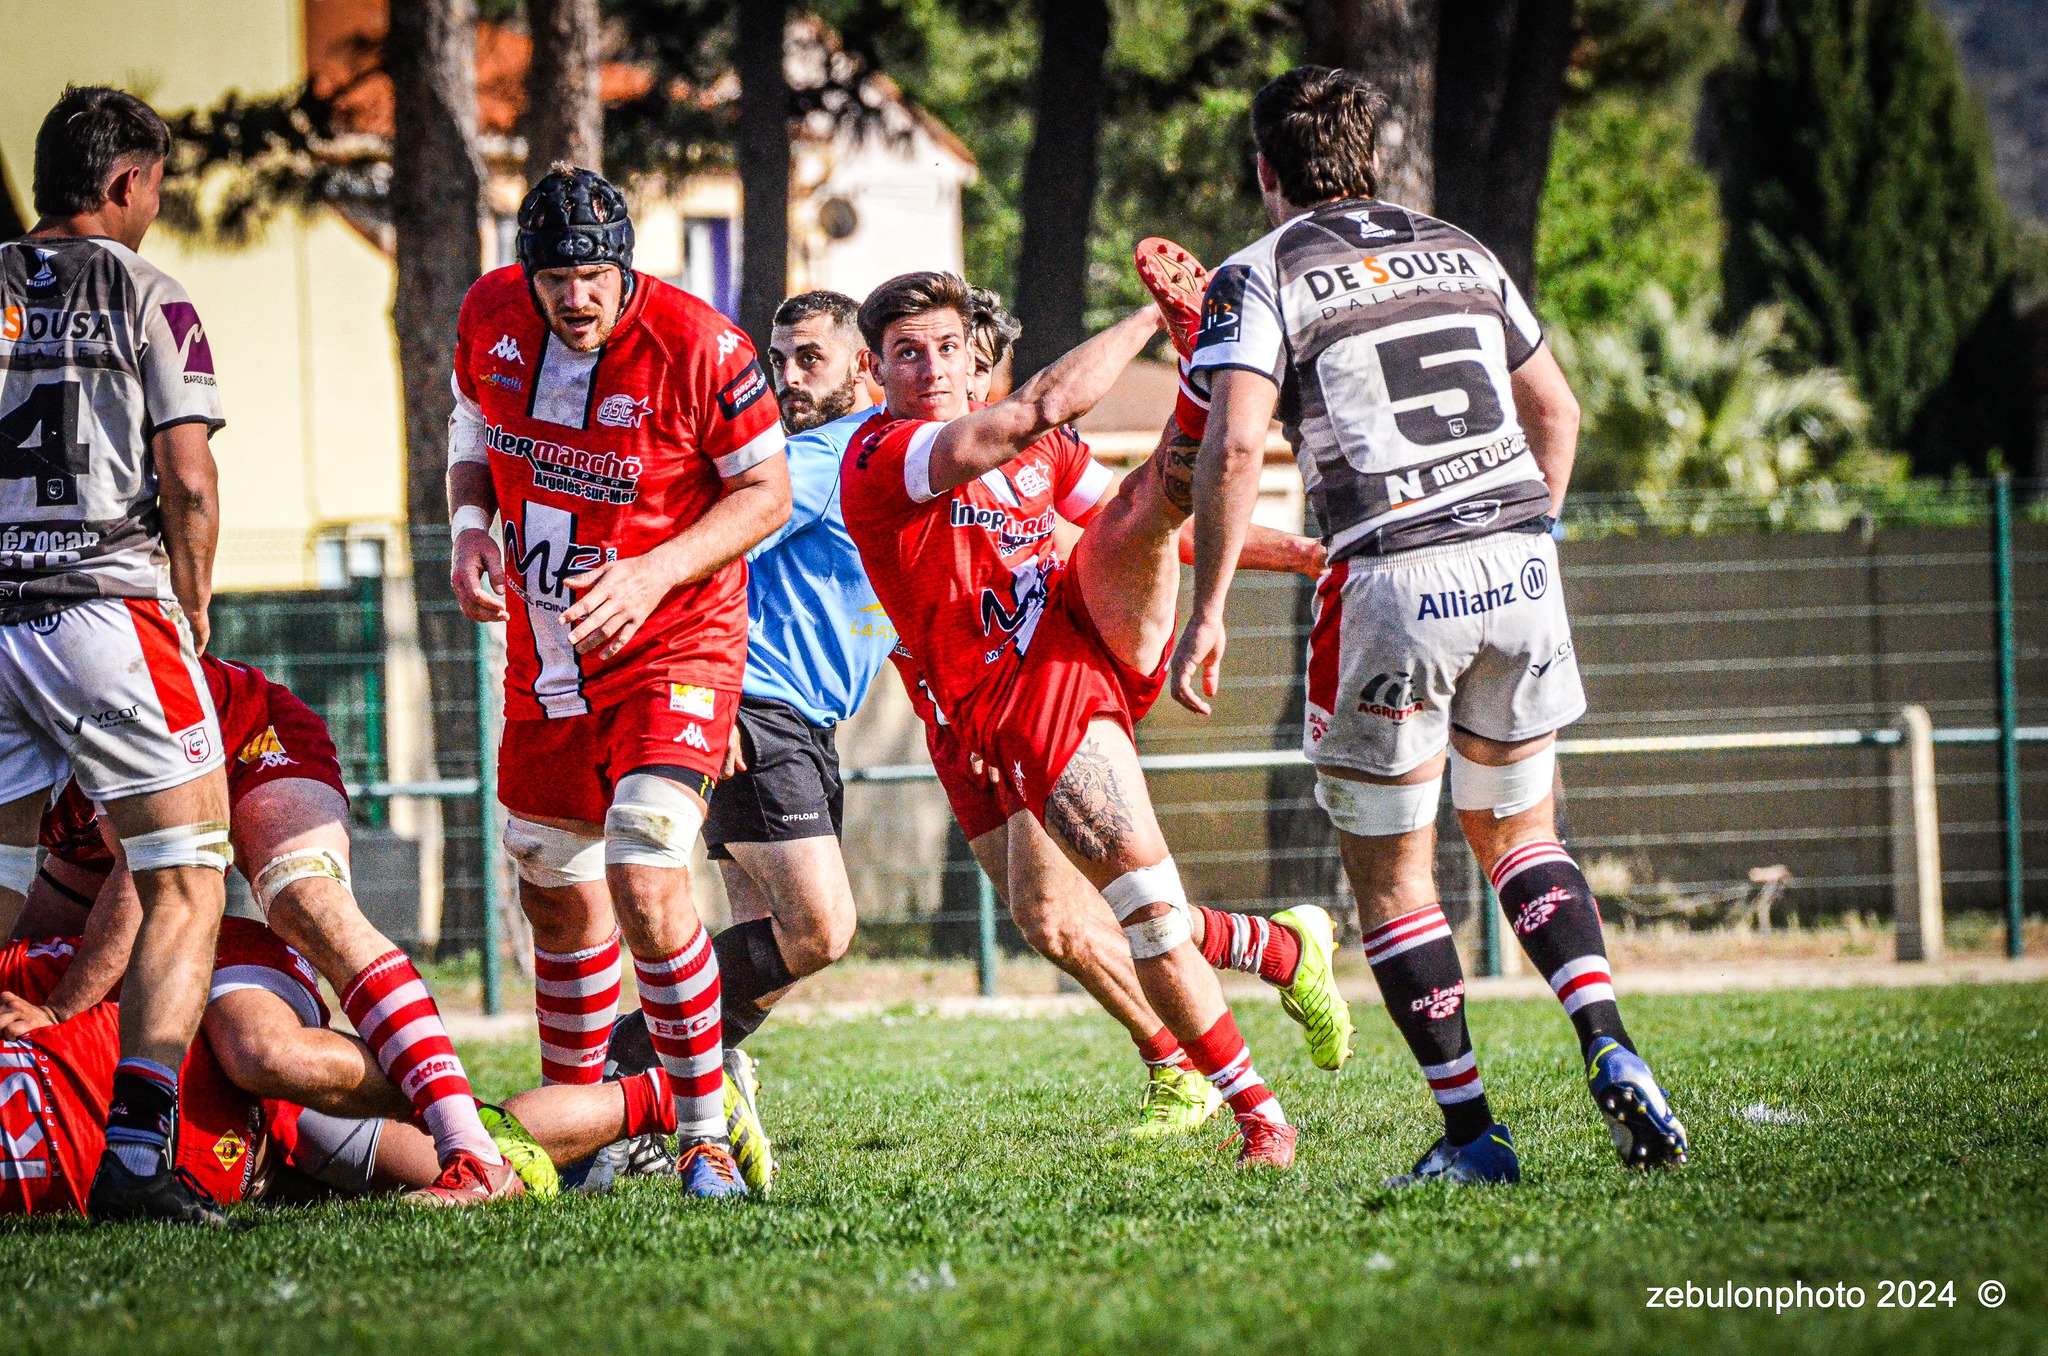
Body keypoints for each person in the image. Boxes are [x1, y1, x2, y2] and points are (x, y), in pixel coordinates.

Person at [1168, 65, 1688, 1186]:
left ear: (1263, 170)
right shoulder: (1461, 247)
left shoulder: (1258, 273)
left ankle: (1470, 1138)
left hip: (1393, 580)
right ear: (1373, 151)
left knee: (1397, 879)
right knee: (1519, 832)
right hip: (1516, 562)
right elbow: (1556, 407)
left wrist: (1206, 607)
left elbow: (1231, 447)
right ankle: (1608, 1042)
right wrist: (1526, 536)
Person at [840, 270, 1305, 1168]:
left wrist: (1306, 555)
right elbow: (1043, 403)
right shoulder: (883, 457)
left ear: (975, 357)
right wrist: (1150, 315)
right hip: (1006, 703)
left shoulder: (1037, 456)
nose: (931, 368)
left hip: (1078, 640)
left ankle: (1204, 377)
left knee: (1145, 500)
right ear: (877, 370)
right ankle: (1263, 1051)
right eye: (907, 353)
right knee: (1134, 914)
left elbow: (1166, 525)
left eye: (946, 347)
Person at [447, 165, 790, 1199]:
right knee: (552, 893)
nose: (576, 297)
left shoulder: (702, 345)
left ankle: (701, 1134)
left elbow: (766, 493)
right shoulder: (487, 313)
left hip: (671, 641)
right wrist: (471, 528)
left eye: (594, 274)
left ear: (624, 266)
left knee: (644, 870)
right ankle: (581, 1129)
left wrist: (651, 570)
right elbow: (470, 426)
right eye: (556, 277)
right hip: (545, 653)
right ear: (526, 274)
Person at [0, 654, 517, 1204]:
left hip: (235, 745)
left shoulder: (79, 670)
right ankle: (454, 1106)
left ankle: (469, 1139)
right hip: (105, 833)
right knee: (27, 967)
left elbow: (149, 874)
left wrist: (59, 1012)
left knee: (303, 903)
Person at [0, 87, 236, 1225]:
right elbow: (187, 477)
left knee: (2, 880)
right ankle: (138, 1156)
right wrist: (193, 605)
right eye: (156, 187)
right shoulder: (147, 291)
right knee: (187, 867)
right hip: (103, 606)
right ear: (124, 184)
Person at [0, 922, 680, 1217]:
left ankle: (682, 1094)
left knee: (267, 1056)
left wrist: (66, 1004)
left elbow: (148, 933)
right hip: (234, 1170)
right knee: (504, 1183)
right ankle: (673, 1091)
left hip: (246, 1059)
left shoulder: (20, 981)